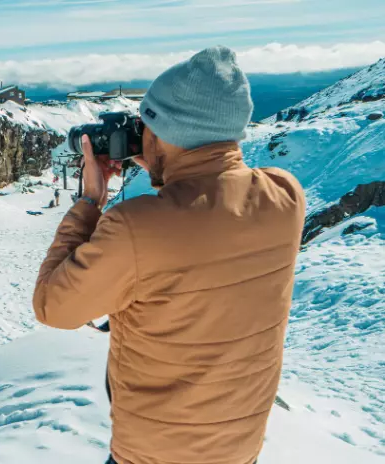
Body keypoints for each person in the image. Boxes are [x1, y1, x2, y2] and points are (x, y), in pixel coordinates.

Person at [32, 47, 306, 464]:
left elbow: (53, 306)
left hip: (155, 454)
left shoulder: (136, 227)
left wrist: (90, 200)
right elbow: (204, 221)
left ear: (166, 131)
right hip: (239, 447)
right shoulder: (285, 195)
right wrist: (168, 164)